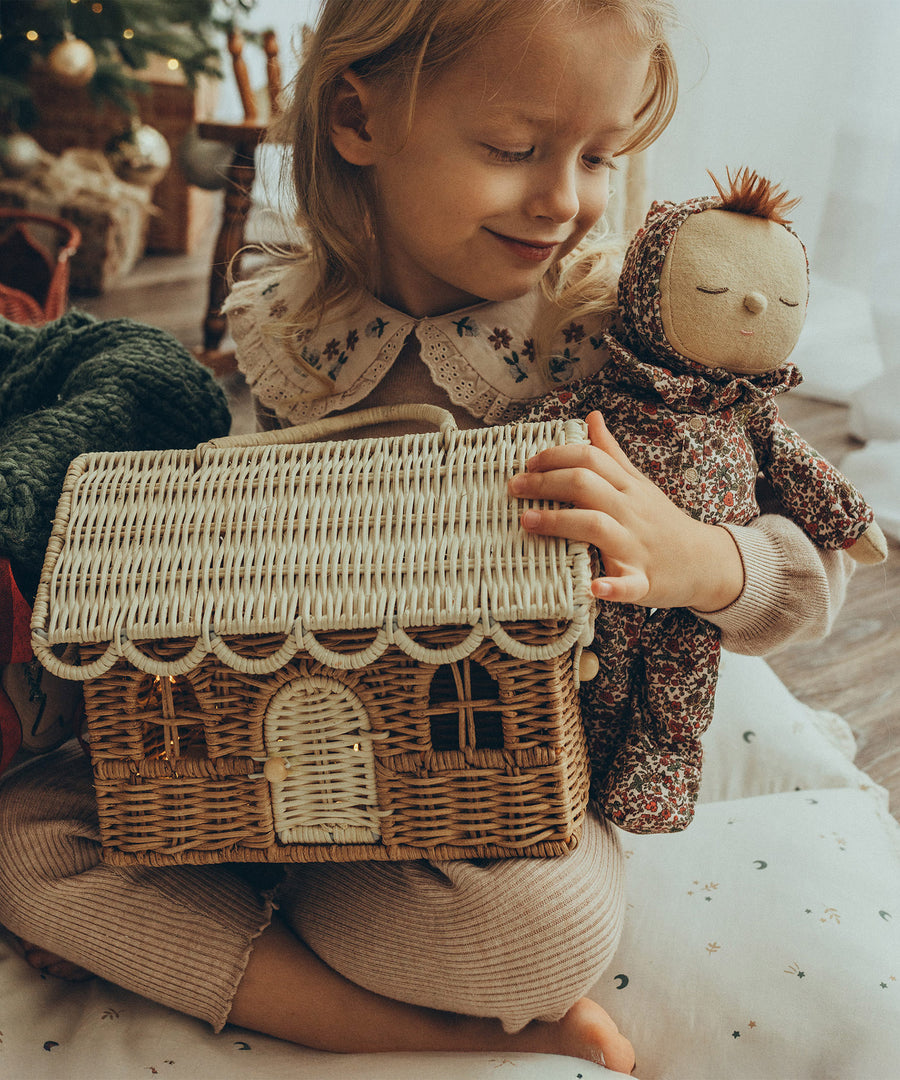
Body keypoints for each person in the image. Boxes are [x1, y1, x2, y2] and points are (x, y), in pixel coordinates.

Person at [0, 1, 853, 1073]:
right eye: (513, 149)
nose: (566, 200)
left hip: (498, 797)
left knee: (541, 933)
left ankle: (245, 934)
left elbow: (817, 568)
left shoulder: (616, 349)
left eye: (600, 156)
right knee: (27, 839)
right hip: (284, 747)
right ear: (358, 119)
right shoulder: (295, 334)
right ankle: (397, 1013)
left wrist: (695, 555)